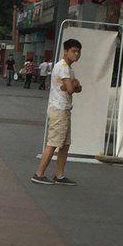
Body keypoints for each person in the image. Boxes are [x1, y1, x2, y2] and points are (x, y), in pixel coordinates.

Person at [32, 38, 82, 185]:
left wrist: (73, 85)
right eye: (73, 51)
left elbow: (76, 88)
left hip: (64, 109)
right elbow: (72, 89)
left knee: (65, 144)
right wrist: (73, 85)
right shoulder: (63, 67)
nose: (76, 54)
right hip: (59, 109)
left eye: (78, 52)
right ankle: (39, 173)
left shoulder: (69, 69)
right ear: (66, 51)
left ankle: (59, 175)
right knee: (53, 142)